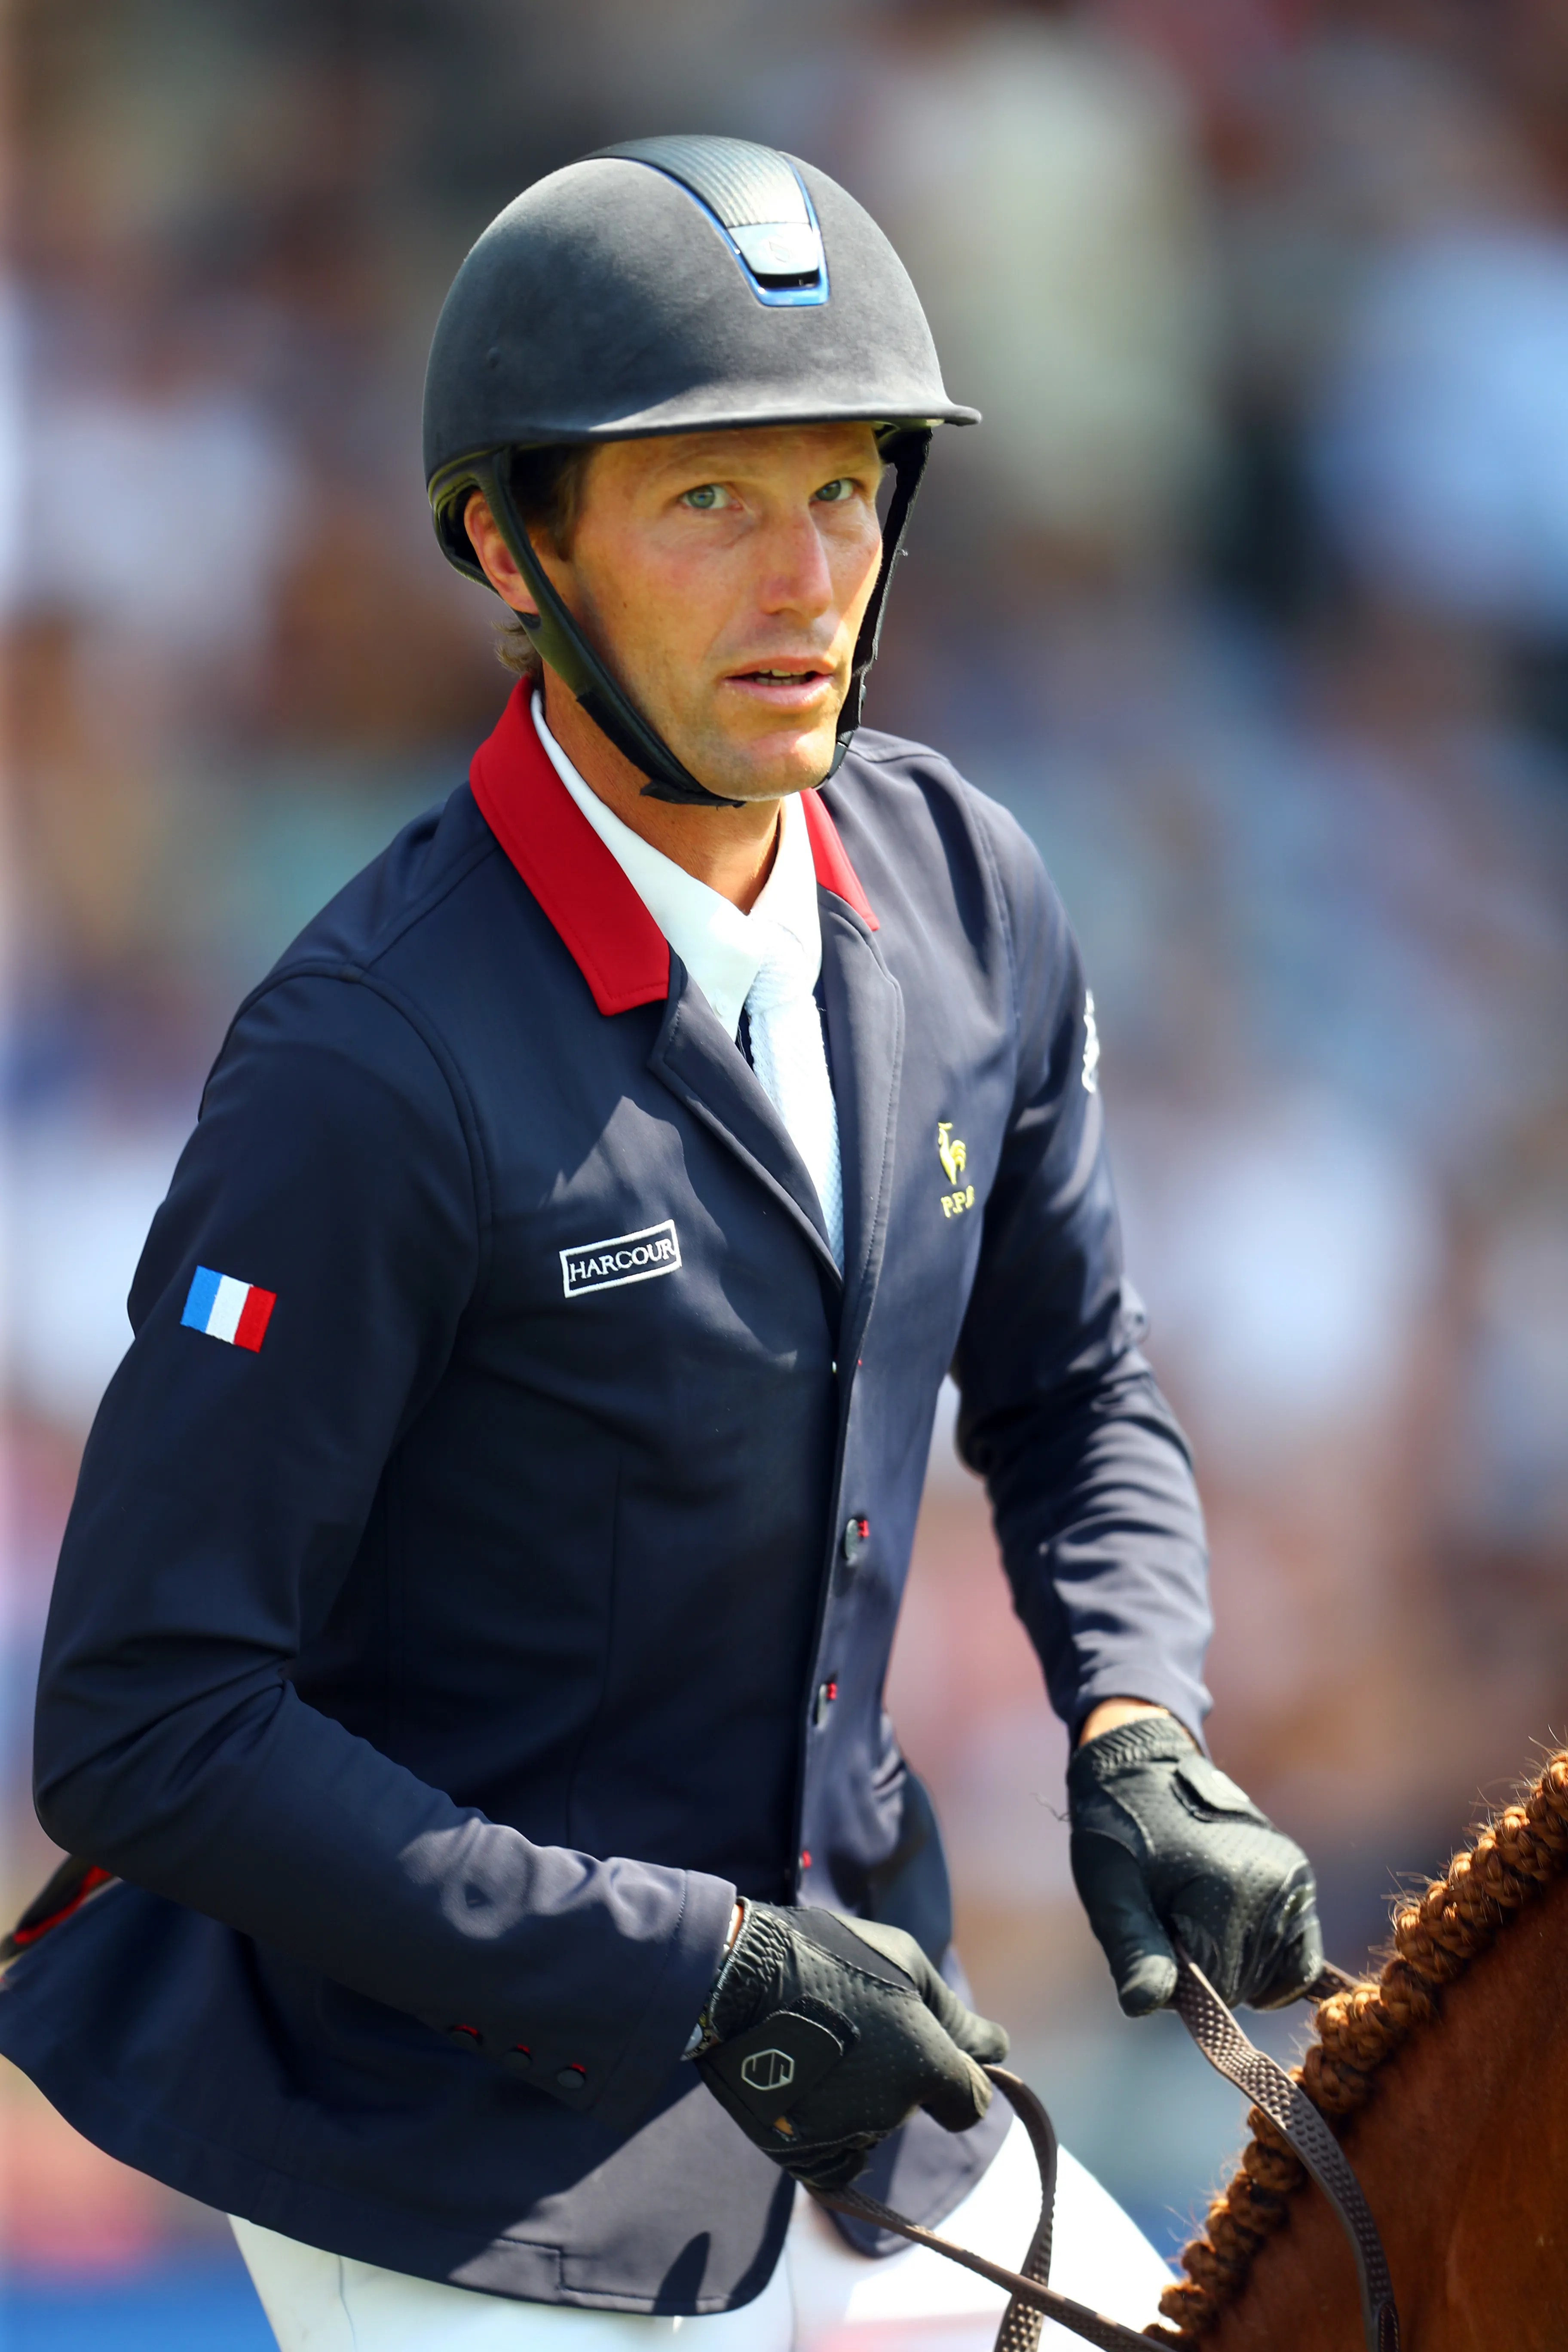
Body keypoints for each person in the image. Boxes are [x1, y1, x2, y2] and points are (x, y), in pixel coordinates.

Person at [0, 137, 1323, 2349]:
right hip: (440, 2144)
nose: (805, 581)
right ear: (514, 545)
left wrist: (1136, 1722)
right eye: (709, 500)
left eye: (843, 491)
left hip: (859, 2044)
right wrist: (684, 1968)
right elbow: (147, 1724)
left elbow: (1074, 1381)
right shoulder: (368, 1064)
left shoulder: (973, 891)